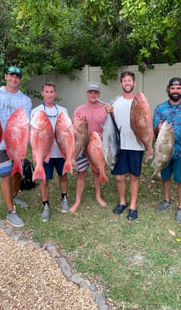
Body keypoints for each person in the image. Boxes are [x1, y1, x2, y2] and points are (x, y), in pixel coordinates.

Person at [0, 66, 32, 227]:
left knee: (17, 172)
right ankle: (10, 212)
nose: (14, 79)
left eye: (17, 76)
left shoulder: (25, 100)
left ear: (20, 80)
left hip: (16, 142)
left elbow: (24, 122)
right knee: (6, 175)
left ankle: (13, 195)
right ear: (5, 76)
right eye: (11, 75)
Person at [153, 77, 181, 222]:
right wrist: (157, 129)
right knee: (165, 177)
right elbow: (154, 132)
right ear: (168, 89)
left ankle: (180, 207)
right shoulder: (160, 108)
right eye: (172, 88)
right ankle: (166, 200)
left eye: (178, 88)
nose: (175, 91)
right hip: (164, 151)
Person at [105, 71, 144, 221]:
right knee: (120, 177)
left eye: (130, 80)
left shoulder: (140, 102)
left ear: (134, 83)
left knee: (134, 176)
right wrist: (108, 112)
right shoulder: (115, 103)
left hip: (136, 145)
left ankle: (133, 206)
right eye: (124, 81)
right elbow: (110, 124)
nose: (127, 83)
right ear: (121, 84)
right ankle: (122, 202)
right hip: (119, 146)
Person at [31, 82, 70, 222]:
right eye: (46, 91)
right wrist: (36, 154)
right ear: (42, 93)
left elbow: (68, 132)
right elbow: (33, 135)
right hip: (43, 152)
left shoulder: (63, 111)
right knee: (44, 180)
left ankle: (64, 198)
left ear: (55, 93)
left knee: (63, 176)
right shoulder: (36, 112)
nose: (49, 94)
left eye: (51, 91)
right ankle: (46, 205)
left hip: (60, 152)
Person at [69, 81, 107, 213]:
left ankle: (98, 196)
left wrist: (103, 136)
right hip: (82, 148)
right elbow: (73, 130)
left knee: (97, 172)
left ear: (99, 93)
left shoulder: (104, 108)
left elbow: (109, 128)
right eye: (90, 92)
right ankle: (77, 200)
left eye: (95, 92)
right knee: (81, 173)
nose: (93, 94)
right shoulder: (79, 110)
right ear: (87, 93)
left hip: (97, 147)